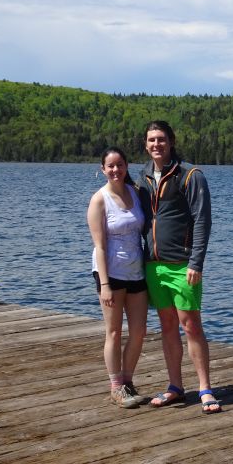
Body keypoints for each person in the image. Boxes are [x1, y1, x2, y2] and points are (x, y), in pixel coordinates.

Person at [136, 120, 221, 413]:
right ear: (145, 145)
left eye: (161, 139)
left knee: (191, 325)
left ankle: (205, 389)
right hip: (154, 266)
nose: (156, 144)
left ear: (171, 141)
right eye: (151, 140)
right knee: (168, 325)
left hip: (183, 266)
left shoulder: (190, 175)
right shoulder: (144, 176)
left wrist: (196, 262)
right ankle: (175, 386)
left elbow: (202, 221)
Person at [87, 147, 149, 409]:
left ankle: (128, 381)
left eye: (120, 165)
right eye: (110, 166)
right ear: (102, 170)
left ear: (126, 166)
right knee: (113, 331)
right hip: (110, 271)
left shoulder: (135, 192)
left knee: (138, 331)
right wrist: (105, 285)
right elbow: (100, 246)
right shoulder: (99, 200)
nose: (116, 170)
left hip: (136, 270)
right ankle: (116, 387)